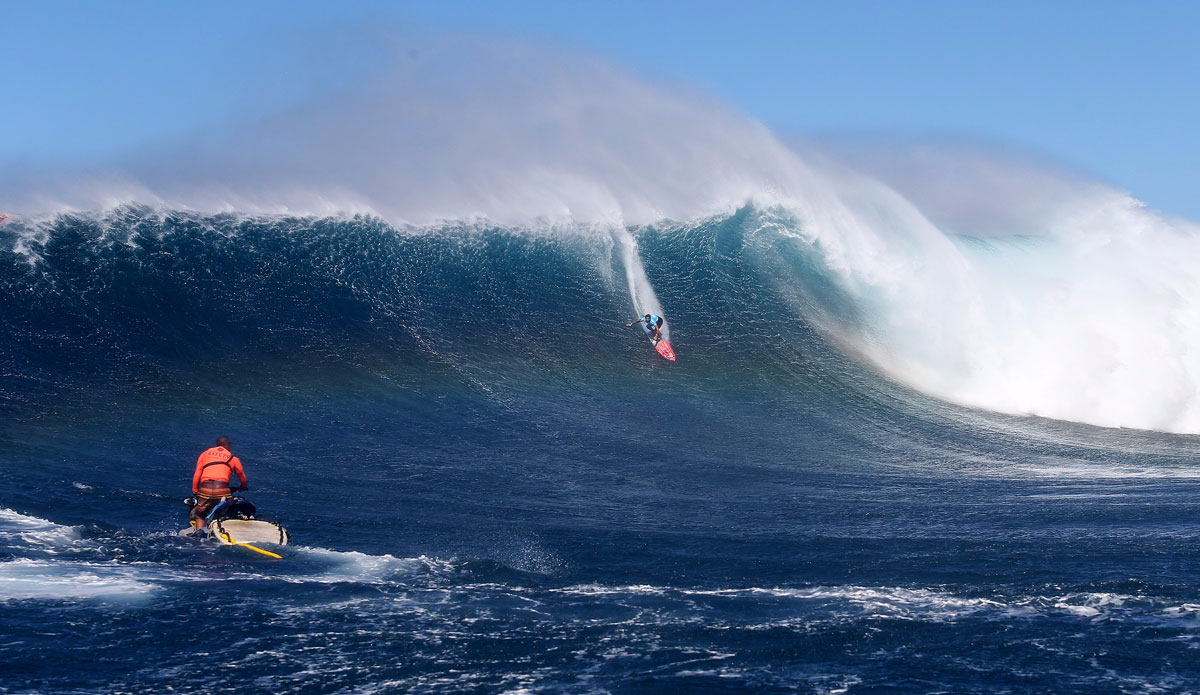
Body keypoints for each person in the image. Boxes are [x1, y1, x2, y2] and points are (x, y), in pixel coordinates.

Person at [190, 436, 248, 532]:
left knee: (200, 514)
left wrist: (195, 490)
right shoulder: (233, 458)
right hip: (222, 489)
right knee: (227, 510)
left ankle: (198, 534)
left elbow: (197, 474)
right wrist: (243, 486)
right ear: (228, 445)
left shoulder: (204, 454)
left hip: (205, 488)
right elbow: (242, 476)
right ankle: (223, 531)